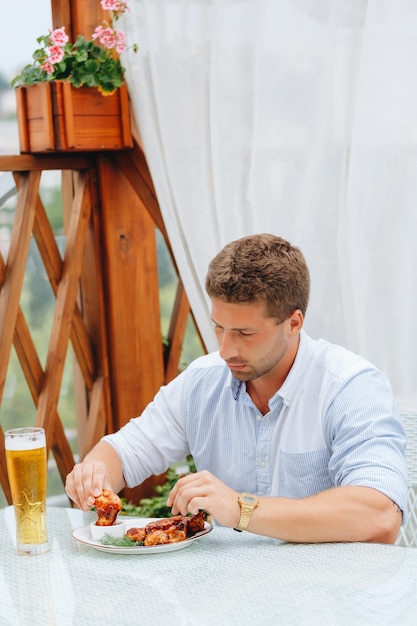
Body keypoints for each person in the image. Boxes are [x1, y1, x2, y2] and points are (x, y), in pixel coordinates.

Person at [65, 234, 408, 543]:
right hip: (227, 599)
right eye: (219, 328)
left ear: (293, 323)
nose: (227, 349)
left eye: (244, 333)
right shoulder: (202, 380)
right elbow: (123, 452)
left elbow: (379, 516)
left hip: (331, 604)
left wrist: (240, 509)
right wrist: (95, 474)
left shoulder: (350, 387)